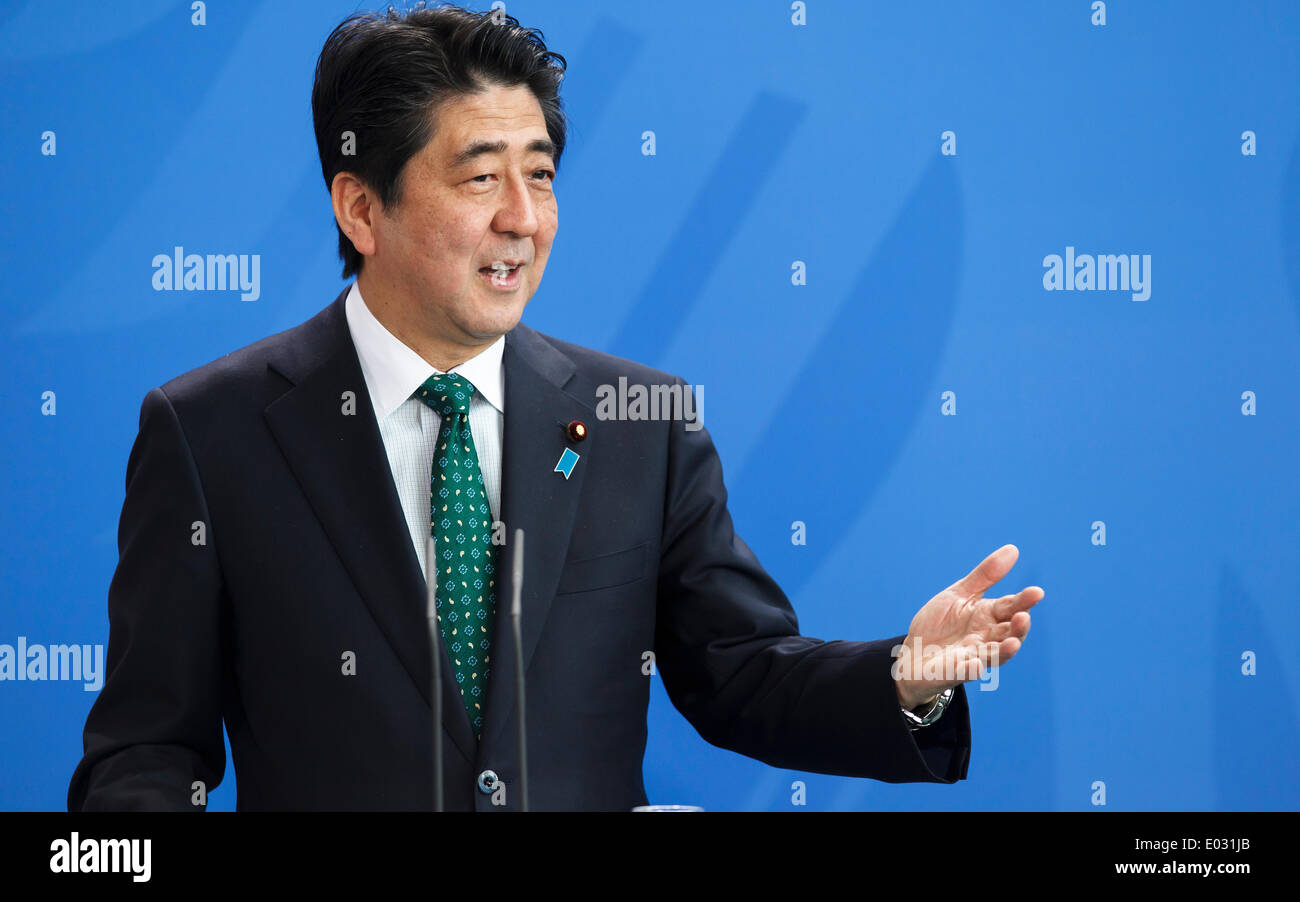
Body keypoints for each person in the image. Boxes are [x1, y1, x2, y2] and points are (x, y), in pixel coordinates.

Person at [68, 3, 1043, 812]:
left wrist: (907, 676)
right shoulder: (212, 431)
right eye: (481, 175)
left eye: (539, 174)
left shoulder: (638, 422)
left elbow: (742, 673)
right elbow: (144, 756)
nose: (523, 219)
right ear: (361, 207)